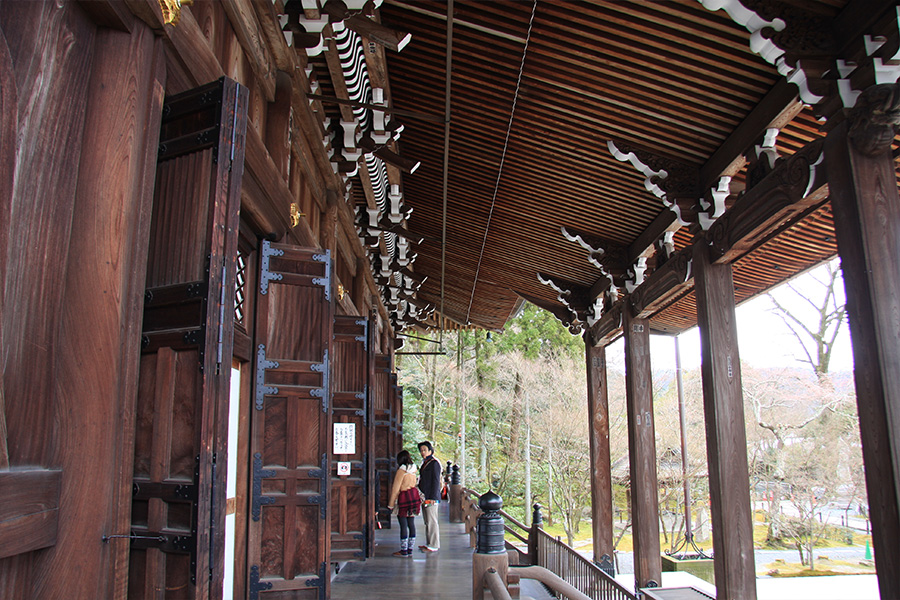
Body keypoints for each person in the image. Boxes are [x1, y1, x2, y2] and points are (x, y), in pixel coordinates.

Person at [387, 450, 420, 557]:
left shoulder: (401, 471)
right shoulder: (414, 470)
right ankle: (410, 548)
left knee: (403, 524)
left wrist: (391, 504)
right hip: (413, 498)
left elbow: (395, 488)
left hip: (404, 499)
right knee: (411, 523)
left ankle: (403, 550)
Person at [417, 441, 442, 552]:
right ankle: (429, 543)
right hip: (425, 495)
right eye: (421, 450)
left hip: (431, 497)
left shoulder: (434, 463)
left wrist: (433, 497)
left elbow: (436, 481)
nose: (423, 452)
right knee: (427, 520)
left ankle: (434, 545)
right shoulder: (425, 462)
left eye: (425, 450)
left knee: (432, 521)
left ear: (430, 451)